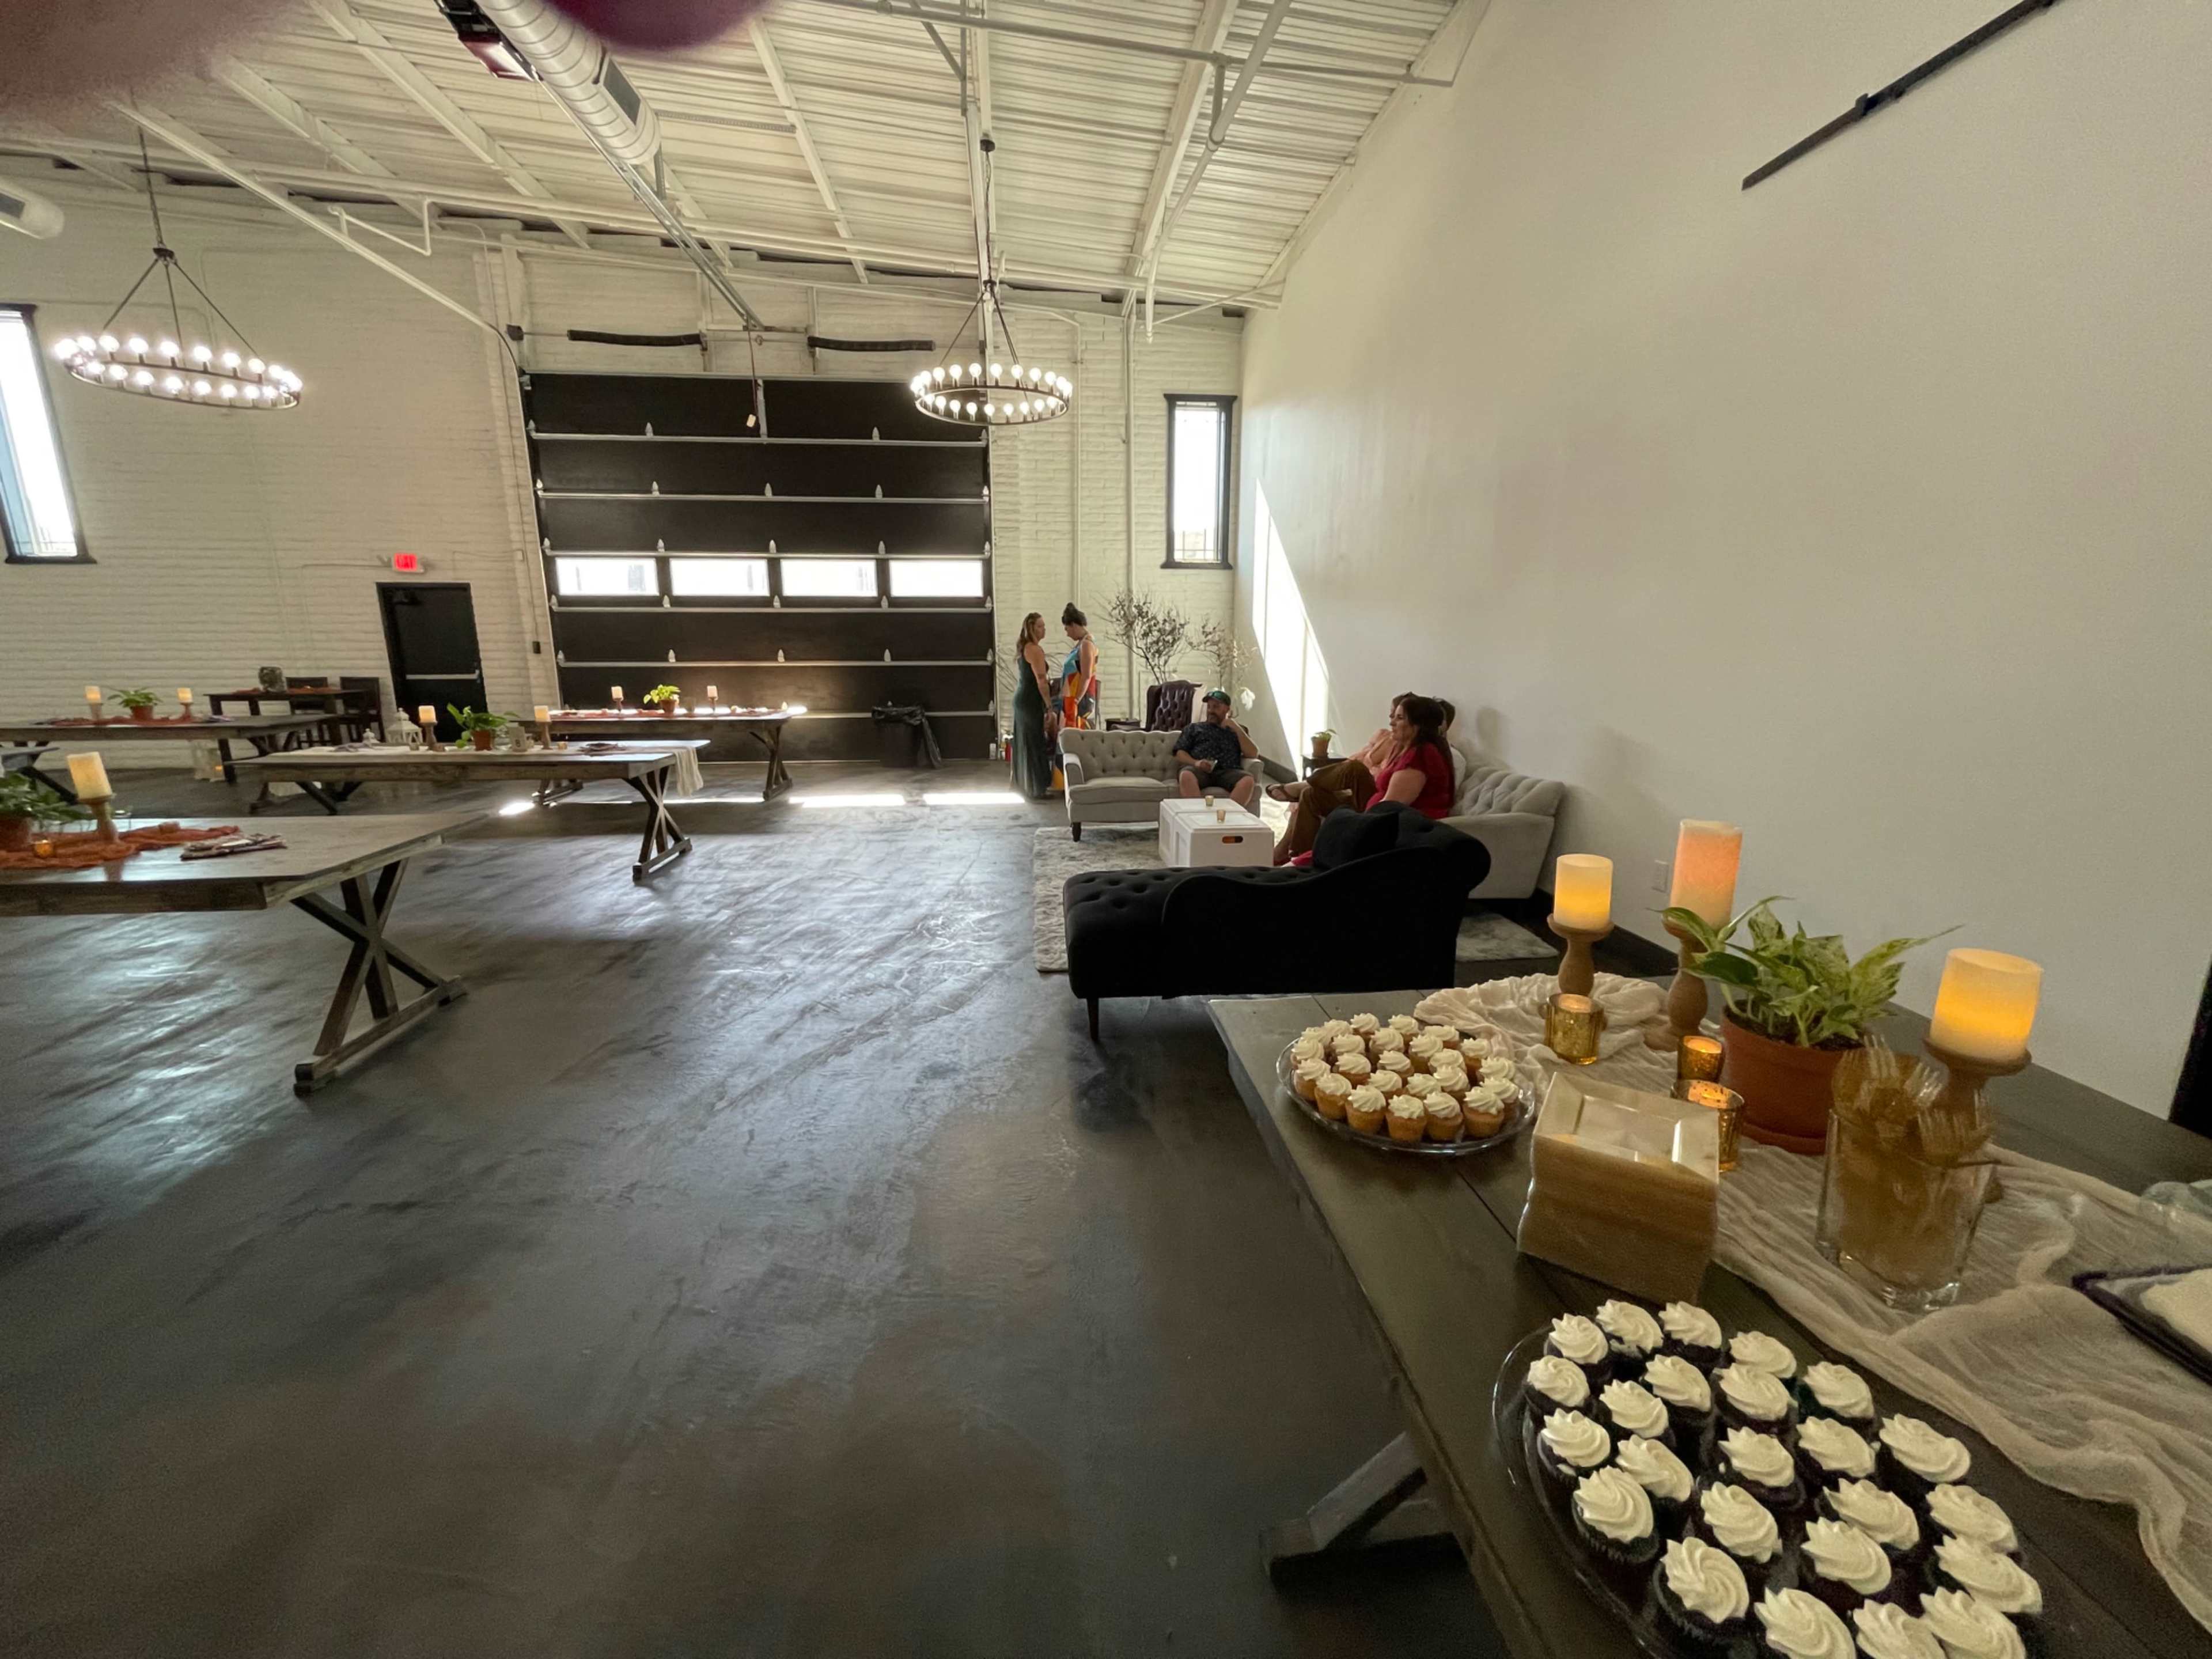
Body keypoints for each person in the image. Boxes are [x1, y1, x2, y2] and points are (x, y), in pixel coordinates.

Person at [1272, 693, 1454, 863]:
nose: (1392, 723)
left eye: (1399, 718)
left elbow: (1389, 808)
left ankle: (1301, 790)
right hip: (1371, 803)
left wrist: (1353, 824)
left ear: (1417, 725)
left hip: (1392, 825)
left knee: (1354, 769)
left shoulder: (1421, 756)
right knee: (1312, 795)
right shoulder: (1406, 748)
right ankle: (1297, 856)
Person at [1174, 688, 1260, 808]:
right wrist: (1197, 763)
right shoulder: (1194, 728)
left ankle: (1228, 818)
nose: (1211, 711)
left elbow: (1253, 754)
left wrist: (1236, 727)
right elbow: (1180, 753)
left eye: (1216, 707)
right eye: (1209, 707)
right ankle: (1197, 816)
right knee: (1186, 775)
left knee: (1248, 781)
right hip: (1200, 770)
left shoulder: (1237, 730)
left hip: (1228, 772)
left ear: (1227, 710)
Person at [1009, 612, 1057, 800]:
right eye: (1040, 626)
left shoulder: (1026, 648)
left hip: (1023, 700)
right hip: (1029, 701)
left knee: (1026, 742)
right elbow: (1041, 681)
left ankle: (1026, 786)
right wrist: (1049, 706)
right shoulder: (1035, 650)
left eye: (1044, 626)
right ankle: (1036, 788)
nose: (1044, 629)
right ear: (1032, 629)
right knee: (1034, 742)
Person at [1059, 604, 1099, 732]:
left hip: (1079, 699)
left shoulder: (1086, 644)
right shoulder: (1081, 643)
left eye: (1067, 629)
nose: (1067, 634)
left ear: (1074, 625)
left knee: (1076, 736)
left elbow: (1086, 675)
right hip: (1072, 697)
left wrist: (1076, 700)